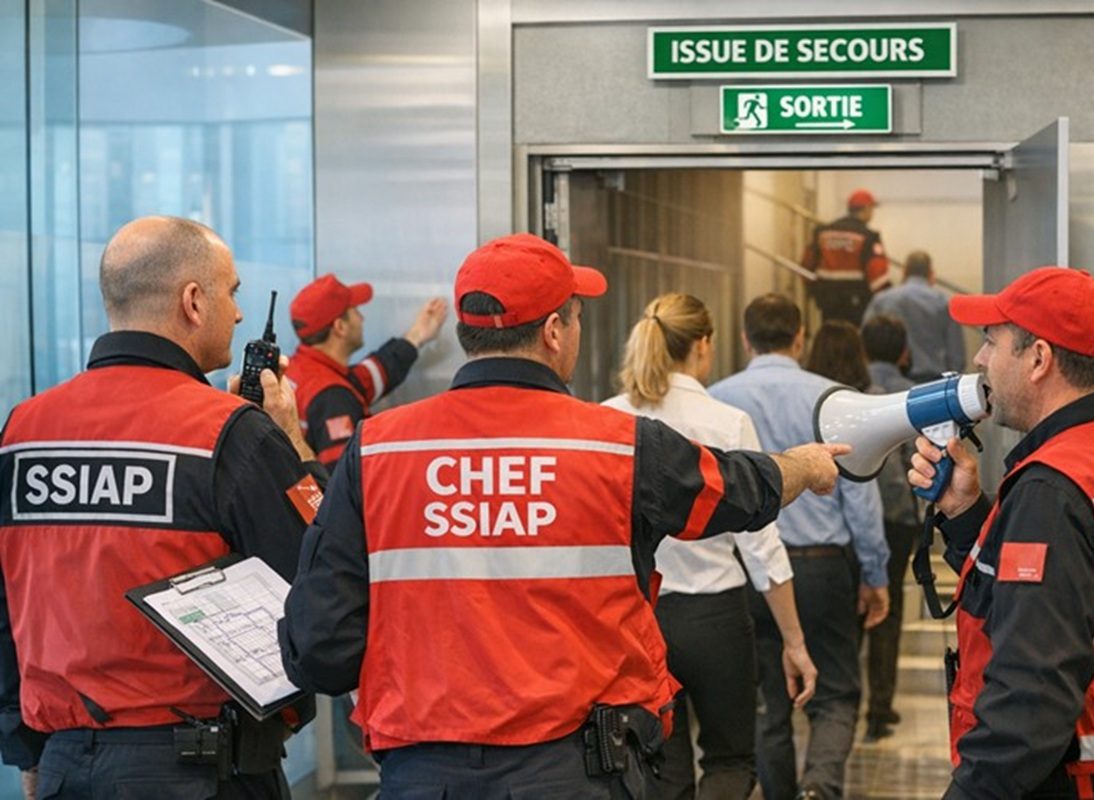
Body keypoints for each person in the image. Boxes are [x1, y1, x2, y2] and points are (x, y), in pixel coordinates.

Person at [278, 233, 848, 800]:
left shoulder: (379, 450)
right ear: (553, 331)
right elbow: (739, 490)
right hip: (577, 771)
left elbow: (320, 646)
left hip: (425, 773)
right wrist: (803, 464)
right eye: (574, 319)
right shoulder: (616, 446)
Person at [0, 216, 323, 799]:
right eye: (233, 292)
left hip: (65, 766)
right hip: (199, 769)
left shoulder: (24, 430)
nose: (241, 314)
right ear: (193, 302)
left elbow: (5, 605)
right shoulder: (230, 433)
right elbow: (320, 572)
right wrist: (292, 445)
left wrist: (26, 750)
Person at [908, 267, 1094, 799]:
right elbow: (1081, 598)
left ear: (1039, 359)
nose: (979, 361)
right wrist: (970, 512)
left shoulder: (1055, 490)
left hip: (1092, 780)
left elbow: (1029, 699)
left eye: (992, 342)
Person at [602, 292, 818, 800]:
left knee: (661, 764)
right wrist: (794, 642)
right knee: (729, 760)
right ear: (704, 345)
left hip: (639, 618)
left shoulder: (607, 420)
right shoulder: (726, 421)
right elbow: (762, 548)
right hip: (717, 617)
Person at [710, 295, 889, 800]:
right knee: (835, 692)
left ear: (745, 339)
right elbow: (860, 494)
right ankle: (821, 787)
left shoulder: (716, 398)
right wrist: (875, 575)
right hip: (823, 567)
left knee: (770, 697)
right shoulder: (834, 398)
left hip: (751, 571)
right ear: (799, 338)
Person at [287, 274, 448, 466]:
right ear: (340, 327)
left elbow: (367, 377)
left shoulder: (299, 370)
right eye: (355, 310)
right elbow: (342, 480)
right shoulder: (332, 398)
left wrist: (416, 336)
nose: (362, 318)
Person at [859, 315, 922, 742]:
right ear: (903, 352)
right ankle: (880, 707)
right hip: (899, 518)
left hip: (856, 517)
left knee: (857, 605)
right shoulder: (913, 397)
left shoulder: (850, 390)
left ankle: (844, 694)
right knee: (891, 606)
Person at [862, 250, 965, 382]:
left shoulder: (881, 300)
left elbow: (865, 338)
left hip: (890, 380)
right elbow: (956, 356)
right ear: (930, 274)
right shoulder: (943, 303)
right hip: (932, 382)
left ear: (904, 272)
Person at [801, 188, 890, 326]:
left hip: (827, 301)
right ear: (866, 209)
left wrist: (814, 291)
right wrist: (887, 299)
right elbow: (877, 274)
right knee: (853, 340)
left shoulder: (822, 232)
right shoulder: (868, 237)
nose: (872, 213)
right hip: (857, 303)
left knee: (830, 336)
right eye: (872, 208)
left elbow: (806, 265)